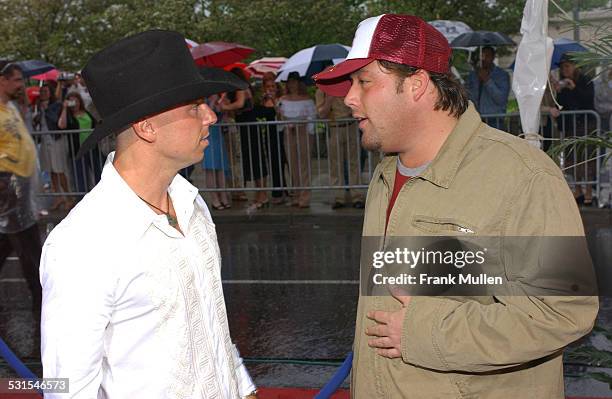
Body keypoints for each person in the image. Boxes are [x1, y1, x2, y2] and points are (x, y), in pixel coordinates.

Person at [315, 14, 598, 398]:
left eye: (364, 82)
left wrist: (423, 333)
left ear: (416, 85)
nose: (349, 98)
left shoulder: (521, 177)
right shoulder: (385, 177)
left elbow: (563, 312)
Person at [40, 31, 258, 399]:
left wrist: (242, 388)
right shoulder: (82, 244)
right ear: (146, 126)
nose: (210, 116)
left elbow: (211, 326)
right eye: (193, 107)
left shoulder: (193, 205)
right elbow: (67, 388)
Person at [0, 61, 43, 314]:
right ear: (2, 80)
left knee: (7, 244)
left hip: (20, 192)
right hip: (7, 189)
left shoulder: (12, 107)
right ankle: (41, 308)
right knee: (30, 252)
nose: (21, 85)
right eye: (16, 80)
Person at [221, 68, 269, 208]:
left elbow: (240, 104)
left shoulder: (241, 88)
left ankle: (262, 194)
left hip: (250, 128)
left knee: (256, 161)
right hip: (246, 128)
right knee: (253, 161)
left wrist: (226, 106)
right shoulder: (242, 87)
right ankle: (260, 193)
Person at [556, 53, 596, 205]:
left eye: (567, 66)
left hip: (586, 124)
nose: (565, 69)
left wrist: (574, 89)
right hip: (570, 126)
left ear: (574, 66)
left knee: (588, 158)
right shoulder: (562, 84)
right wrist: (559, 91)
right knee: (573, 159)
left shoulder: (585, 80)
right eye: (562, 67)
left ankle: (589, 191)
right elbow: (562, 106)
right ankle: (577, 189)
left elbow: (588, 100)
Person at [315, 87, 364, 209]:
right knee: (335, 164)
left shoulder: (348, 86)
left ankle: (357, 196)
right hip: (334, 128)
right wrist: (329, 100)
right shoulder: (321, 91)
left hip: (351, 126)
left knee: (354, 163)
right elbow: (321, 114)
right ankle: (339, 197)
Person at [278, 71, 317, 208]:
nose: (292, 84)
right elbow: (280, 119)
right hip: (289, 132)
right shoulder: (282, 100)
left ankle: (305, 196)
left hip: (304, 132)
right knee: (292, 164)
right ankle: (296, 195)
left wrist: (309, 131)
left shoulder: (307, 99)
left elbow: (312, 117)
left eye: (294, 81)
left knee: (304, 164)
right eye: (290, 82)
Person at [33, 83, 73, 210]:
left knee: (59, 170)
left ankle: (69, 197)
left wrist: (45, 110)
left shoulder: (56, 105)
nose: (42, 93)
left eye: (45, 91)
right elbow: (39, 121)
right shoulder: (39, 106)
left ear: (50, 92)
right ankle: (58, 197)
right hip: (44, 141)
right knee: (51, 171)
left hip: (56, 141)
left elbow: (56, 121)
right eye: (41, 91)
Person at [57, 91, 101, 194]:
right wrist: (64, 108)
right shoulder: (68, 116)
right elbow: (61, 125)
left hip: (92, 148)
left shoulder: (86, 112)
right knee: (80, 177)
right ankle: (81, 198)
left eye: (75, 100)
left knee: (98, 173)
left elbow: (95, 124)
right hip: (77, 150)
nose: (74, 103)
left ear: (79, 101)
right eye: (71, 100)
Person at [260, 73, 288, 205]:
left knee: (284, 161)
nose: (270, 89)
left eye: (273, 86)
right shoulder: (263, 100)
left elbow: (281, 115)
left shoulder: (282, 99)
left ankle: (287, 189)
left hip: (282, 133)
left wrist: (274, 102)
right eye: (267, 86)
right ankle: (277, 191)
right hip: (270, 134)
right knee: (273, 162)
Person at [466, 46, 510, 127]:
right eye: (482, 56)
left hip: (494, 119)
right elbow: (468, 96)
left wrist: (487, 80)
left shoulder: (502, 75)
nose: (484, 59)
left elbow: (501, 99)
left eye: (487, 56)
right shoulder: (473, 75)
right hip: (476, 119)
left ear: (493, 57)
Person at [202, 93, 232, 210]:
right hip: (207, 136)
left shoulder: (221, 99)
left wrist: (223, 107)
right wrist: (212, 102)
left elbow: (224, 116)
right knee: (210, 168)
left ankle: (223, 196)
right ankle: (214, 198)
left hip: (218, 135)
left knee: (221, 167)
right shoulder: (203, 100)